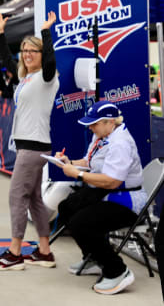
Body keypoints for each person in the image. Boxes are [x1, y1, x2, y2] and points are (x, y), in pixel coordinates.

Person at [0, 11, 59, 271]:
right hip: (29, 145)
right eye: (25, 50)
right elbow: (7, 60)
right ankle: (44, 251)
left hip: (33, 146)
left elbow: (50, 61)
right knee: (34, 199)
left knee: (16, 196)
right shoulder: (27, 77)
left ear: (41, 54)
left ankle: (15, 253)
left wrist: (46, 31)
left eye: (33, 51)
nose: (27, 54)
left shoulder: (47, 77)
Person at [54, 101, 147, 295]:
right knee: (67, 207)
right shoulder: (102, 135)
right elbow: (89, 162)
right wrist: (68, 163)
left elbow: (112, 181)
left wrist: (77, 174)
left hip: (126, 200)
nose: (90, 127)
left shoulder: (120, 143)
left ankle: (117, 271)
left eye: (95, 123)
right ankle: (93, 257)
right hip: (107, 193)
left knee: (82, 223)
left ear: (110, 122)